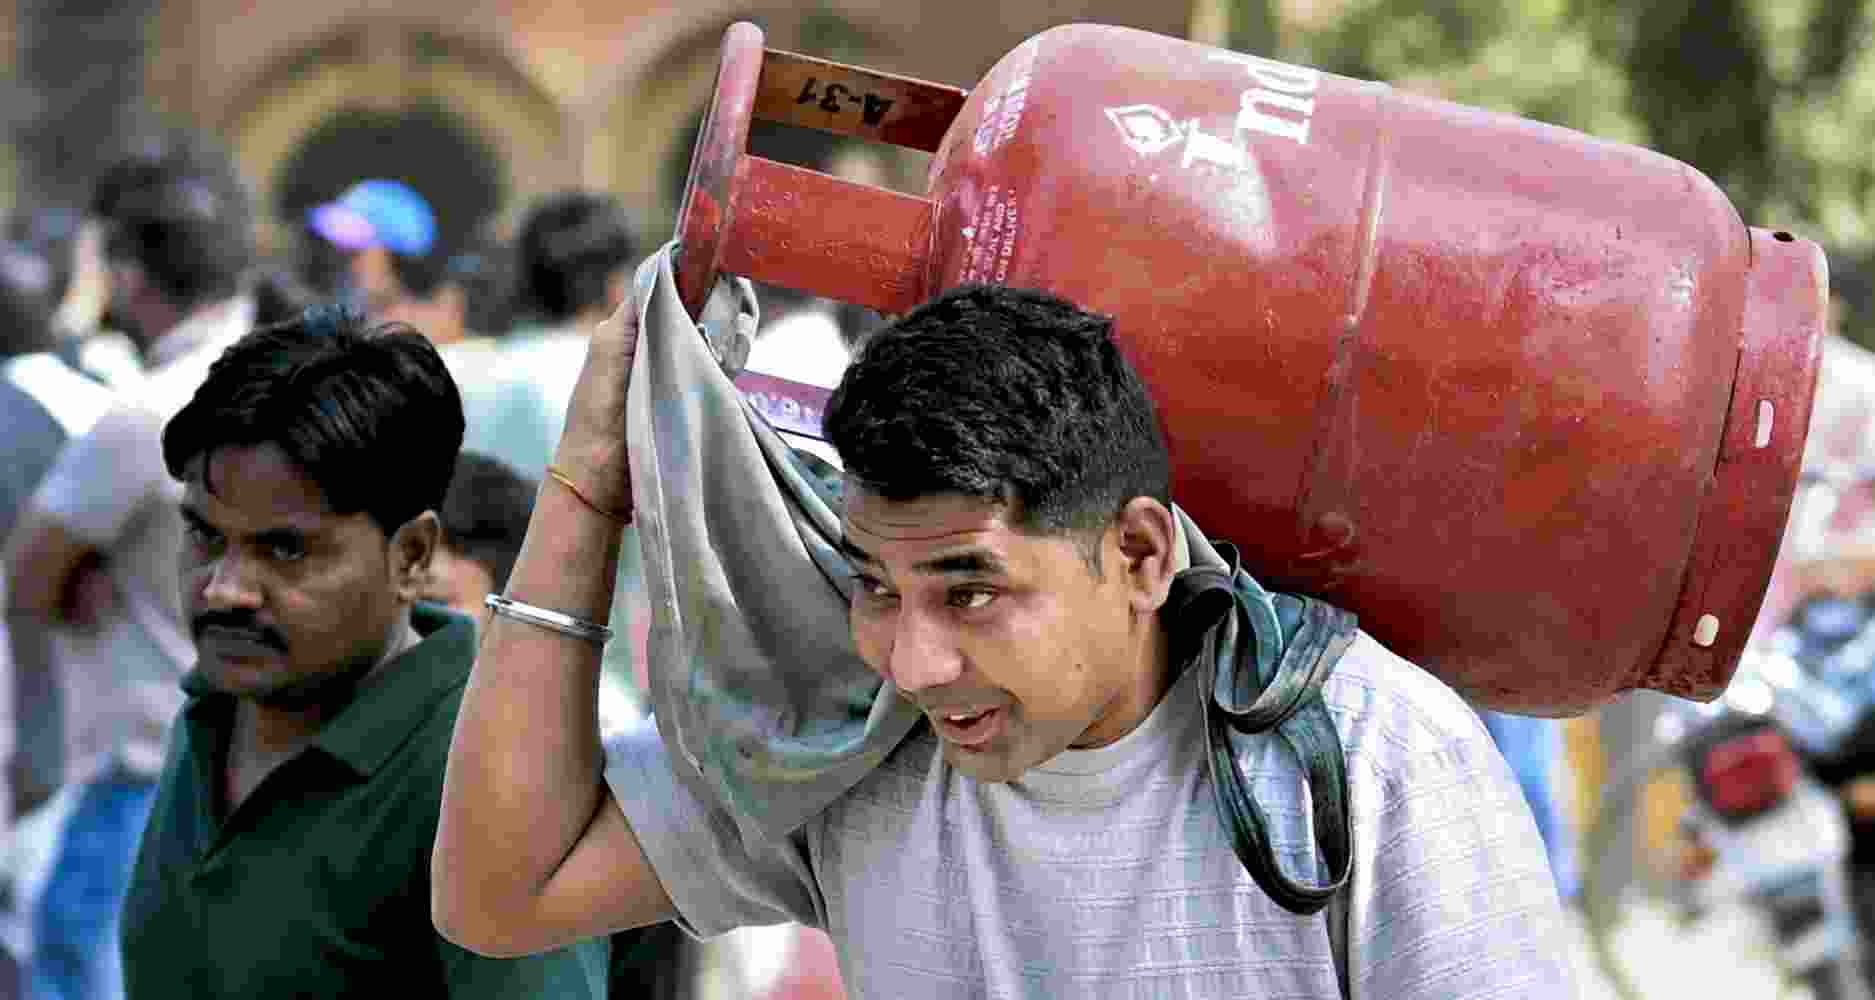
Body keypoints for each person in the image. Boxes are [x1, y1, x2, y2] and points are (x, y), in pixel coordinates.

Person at [433, 282, 1575, 997]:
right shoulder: (851, 739)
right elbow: (502, 895)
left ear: (1139, 555)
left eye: (970, 592)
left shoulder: (1367, 757)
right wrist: (583, 491)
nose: (913, 662)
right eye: (875, 586)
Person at [118, 305, 607, 998]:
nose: (224, 589)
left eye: (284, 549)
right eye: (205, 537)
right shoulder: (214, 708)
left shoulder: (487, 776)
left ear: (411, 555)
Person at [3, 137, 256, 1000]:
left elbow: (29, 570)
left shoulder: (148, 415)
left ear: (126, 271)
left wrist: (86, 571)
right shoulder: (284, 384)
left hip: (138, 777)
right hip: (252, 765)